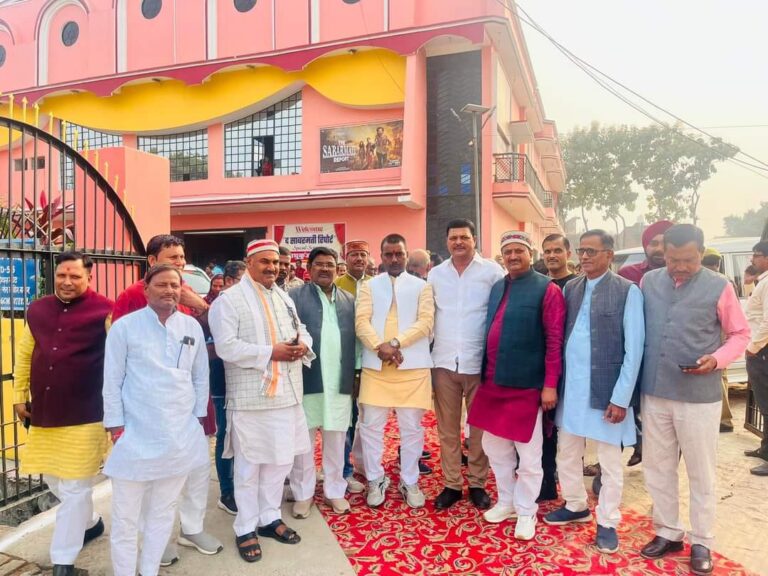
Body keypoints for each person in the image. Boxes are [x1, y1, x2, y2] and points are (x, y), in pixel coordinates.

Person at [639, 224, 750, 576]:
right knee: (658, 467)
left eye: (688, 259)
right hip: (655, 391)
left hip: (699, 398)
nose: (680, 267)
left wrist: (716, 359)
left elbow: (740, 334)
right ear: (664, 254)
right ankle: (668, 531)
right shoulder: (649, 282)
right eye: (673, 259)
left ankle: (702, 539)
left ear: (701, 253)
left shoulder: (719, 285)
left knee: (700, 472)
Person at [112, 234, 221, 564]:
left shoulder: (187, 303)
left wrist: (196, 416)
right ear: (150, 268)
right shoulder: (130, 305)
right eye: (173, 258)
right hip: (141, 421)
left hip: (185, 417)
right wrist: (116, 425)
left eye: (182, 259)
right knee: (143, 493)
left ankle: (188, 530)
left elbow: (200, 368)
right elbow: (115, 371)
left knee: (191, 475)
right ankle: (151, 546)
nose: (180, 264)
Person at [208, 239, 314, 563]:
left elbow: (302, 330)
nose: (272, 267)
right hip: (251, 399)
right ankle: (245, 527)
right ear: (249, 262)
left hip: (288, 395)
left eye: (276, 262)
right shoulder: (228, 300)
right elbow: (226, 347)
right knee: (249, 465)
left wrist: (302, 345)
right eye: (265, 261)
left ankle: (269, 517)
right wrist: (272, 352)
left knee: (280, 462)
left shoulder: (282, 296)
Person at [12, 252, 113, 576]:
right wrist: (18, 394)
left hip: (87, 413)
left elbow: (120, 358)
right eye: (61, 276)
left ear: (89, 278)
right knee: (53, 478)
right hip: (44, 410)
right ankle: (91, 523)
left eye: (75, 276)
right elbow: (26, 353)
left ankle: (63, 560)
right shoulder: (38, 309)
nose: (67, 282)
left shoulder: (105, 311)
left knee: (75, 488)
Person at [543, 230, 644, 554]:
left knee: (609, 461)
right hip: (572, 389)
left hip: (607, 391)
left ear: (609, 255)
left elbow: (634, 350)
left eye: (591, 251)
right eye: (582, 250)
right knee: (567, 452)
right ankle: (575, 504)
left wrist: (621, 398)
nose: (584, 256)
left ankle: (608, 521)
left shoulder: (627, 291)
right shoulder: (571, 287)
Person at [467, 230, 565, 541]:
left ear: (530, 253)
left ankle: (526, 511)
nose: (512, 256)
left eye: (518, 251)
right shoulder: (498, 286)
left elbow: (554, 341)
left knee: (529, 455)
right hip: (493, 382)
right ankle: (507, 501)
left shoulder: (547, 289)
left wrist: (550, 385)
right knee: (494, 448)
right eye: (507, 251)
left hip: (527, 386)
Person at [429, 219, 504, 510]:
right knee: (447, 429)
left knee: (479, 428)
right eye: (453, 238)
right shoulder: (436, 274)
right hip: (444, 361)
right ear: (446, 241)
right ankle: (451, 484)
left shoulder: (492, 272)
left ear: (475, 239)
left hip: (479, 362)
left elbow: (501, 312)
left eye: (464, 237)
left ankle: (477, 483)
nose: (458, 242)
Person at [356, 234, 435, 509]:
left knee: (412, 428)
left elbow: (426, 323)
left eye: (398, 254)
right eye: (388, 254)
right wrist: (380, 347)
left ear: (406, 255)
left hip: (412, 367)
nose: (393, 259)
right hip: (376, 365)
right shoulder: (369, 286)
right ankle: (375, 478)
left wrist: (395, 344)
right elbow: (361, 322)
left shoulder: (422, 286)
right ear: (381, 256)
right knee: (370, 427)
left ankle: (409, 480)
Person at [288, 247, 356, 516]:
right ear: (309, 268)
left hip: (339, 380)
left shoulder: (349, 300)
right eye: (319, 264)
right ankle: (303, 494)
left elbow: (357, 342)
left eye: (330, 264)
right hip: (307, 378)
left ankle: (334, 491)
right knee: (303, 441)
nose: (325, 268)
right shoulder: (294, 297)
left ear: (337, 268)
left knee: (337, 438)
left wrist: (357, 373)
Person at [618, 220, 674, 467]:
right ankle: (612, 462)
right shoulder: (627, 275)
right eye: (654, 242)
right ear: (645, 246)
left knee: (662, 418)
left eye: (665, 242)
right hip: (631, 356)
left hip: (666, 359)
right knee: (622, 406)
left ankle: (658, 463)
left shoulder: (683, 275)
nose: (659, 248)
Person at [539, 233, 577, 501]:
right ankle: (547, 479)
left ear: (568, 254)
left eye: (557, 250)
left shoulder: (577, 286)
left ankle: (572, 487)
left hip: (573, 367)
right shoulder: (539, 285)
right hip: (545, 365)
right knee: (546, 427)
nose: (552, 255)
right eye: (547, 251)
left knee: (571, 429)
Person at [207, 260, 246, 515]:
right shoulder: (220, 306)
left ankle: (241, 486)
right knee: (226, 435)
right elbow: (218, 348)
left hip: (244, 382)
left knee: (243, 437)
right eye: (243, 281)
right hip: (223, 380)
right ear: (229, 281)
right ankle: (227, 492)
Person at [335, 240, 374, 493]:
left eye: (363, 254)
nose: (359, 258)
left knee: (369, 418)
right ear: (345, 258)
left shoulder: (376, 285)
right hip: (345, 361)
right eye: (354, 254)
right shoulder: (336, 285)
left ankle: (366, 465)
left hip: (372, 360)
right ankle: (344, 471)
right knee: (346, 419)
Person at [113, 234, 208, 319]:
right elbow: (119, 330)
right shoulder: (132, 295)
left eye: (182, 257)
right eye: (173, 257)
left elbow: (204, 328)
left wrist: (200, 305)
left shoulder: (187, 289)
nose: (180, 262)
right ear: (152, 260)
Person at [701, 247, 737, 433]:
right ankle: (725, 419)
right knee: (722, 376)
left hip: (716, 336)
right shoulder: (726, 280)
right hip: (723, 336)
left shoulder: (716, 282)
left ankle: (723, 419)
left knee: (717, 376)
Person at [744, 240, 768, 475]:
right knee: (763, 403)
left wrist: (753, 347)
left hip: (762, 351)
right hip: (760, 350)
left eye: (757, 255)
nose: (753, 259)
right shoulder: (762, 281)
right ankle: (765, 448)